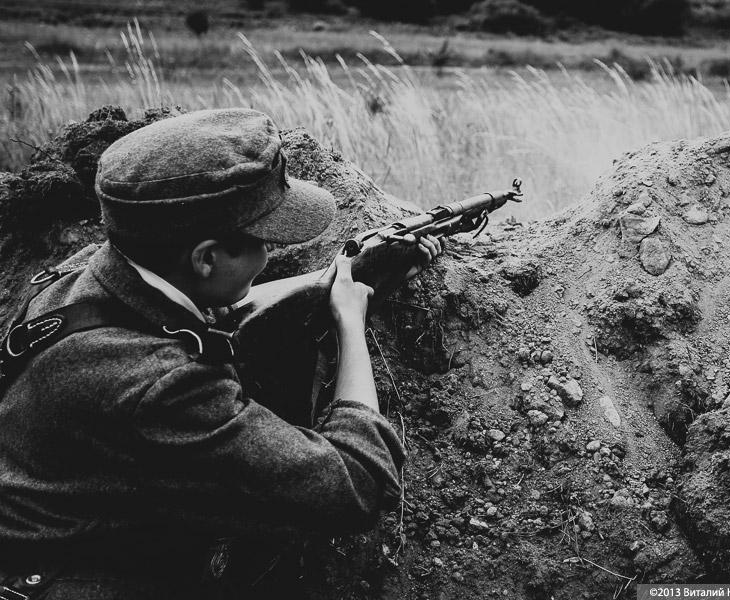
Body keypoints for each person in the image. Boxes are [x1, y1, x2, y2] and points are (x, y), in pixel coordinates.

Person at [0, 108, 442, 599]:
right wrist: (350, 322)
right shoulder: (161, 387)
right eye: (263, 242)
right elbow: (354, 485)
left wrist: (340, 277)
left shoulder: (92, 270)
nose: (270, 255)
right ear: (206, 257)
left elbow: (203, 316)